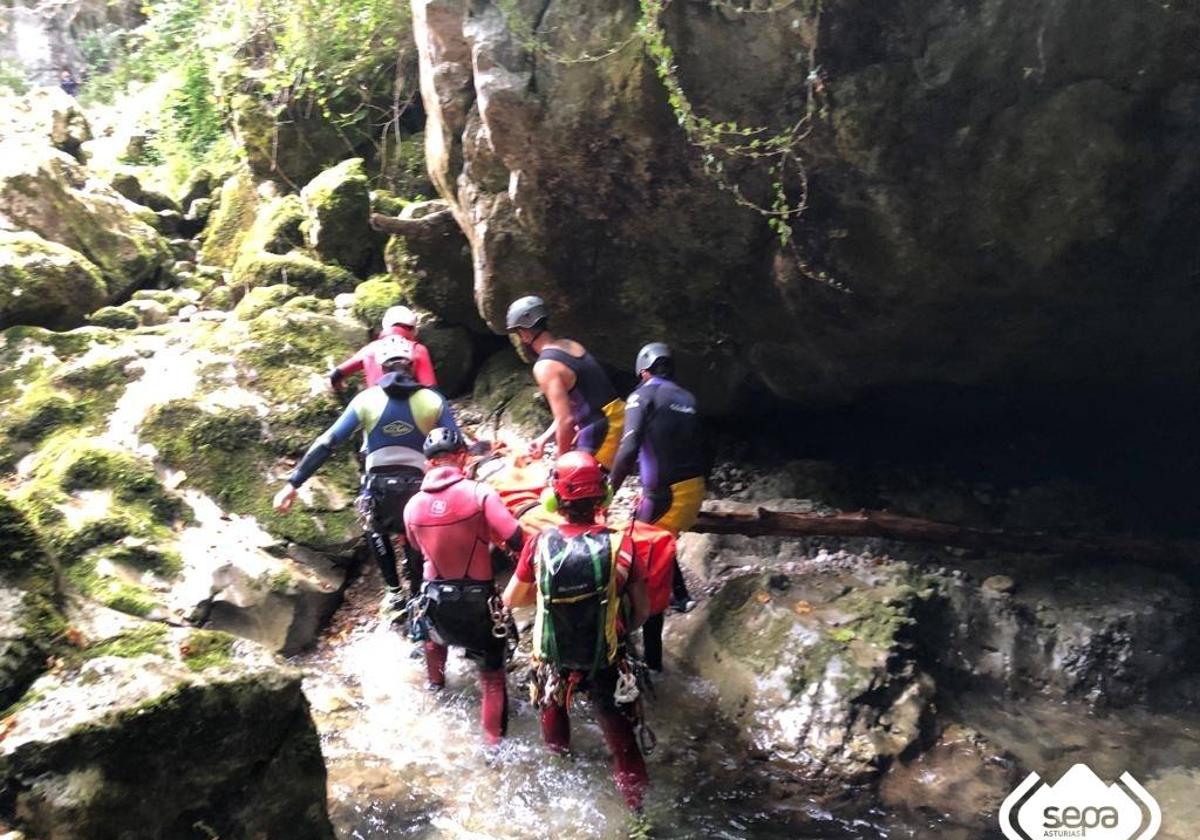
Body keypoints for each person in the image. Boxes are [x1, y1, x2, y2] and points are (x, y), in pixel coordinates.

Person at [503, 451, 651, 810]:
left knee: (554, 726)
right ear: (603, 497)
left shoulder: (539, 544)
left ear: (554, 499)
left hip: (554, 659)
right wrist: (621, 625)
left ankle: (559, 775)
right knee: (623, 744)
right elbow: (643, 611)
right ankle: (639, 815)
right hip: (605, 657)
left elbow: (512, 599)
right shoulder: (623, 545)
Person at [274, 335, 458, 604]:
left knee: (376, 528)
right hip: (419, 486)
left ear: (381, 367)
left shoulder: (366, 400)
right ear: (411, 365)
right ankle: (421, 593)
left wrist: (293, 484)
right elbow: (454, 443)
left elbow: (327, 442)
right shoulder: (432, 400)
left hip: (379, 489)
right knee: (414, 534)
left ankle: (394, 593)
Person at [403, 428, 524, 745]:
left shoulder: (412, 505)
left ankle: (435, 693)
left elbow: (416, 548)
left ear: (429, 464)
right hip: (477, 604)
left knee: (432, 640)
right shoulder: (480, 493)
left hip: (435, 600)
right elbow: (515, 537)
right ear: (462, 458)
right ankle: (493, 749)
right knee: (493, 679)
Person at [610, 342, 706, 669]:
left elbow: (628, 448)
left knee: (641, 560)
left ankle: (651, 661)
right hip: (692, 491)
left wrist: (608, 490)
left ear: (643, 370)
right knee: (655, 539)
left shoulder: (642, 396)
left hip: (665, 495)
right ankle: (682, 595)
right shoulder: (689, 399)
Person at [505, 296, 624, 469]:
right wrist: (544, 438)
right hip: (616, 416)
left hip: (604, 429)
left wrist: (562, 465)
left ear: (524, 333)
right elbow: (572, 410)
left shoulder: (545, 366)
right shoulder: (569, 344)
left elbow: (566, 421)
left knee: (581, 487)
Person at [330, 305, 437, 390]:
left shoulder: (369, 349)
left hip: (374, 410)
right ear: (413, 330)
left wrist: (338, 385)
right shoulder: (418, 349)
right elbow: (431, 388)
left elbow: (336, 374)